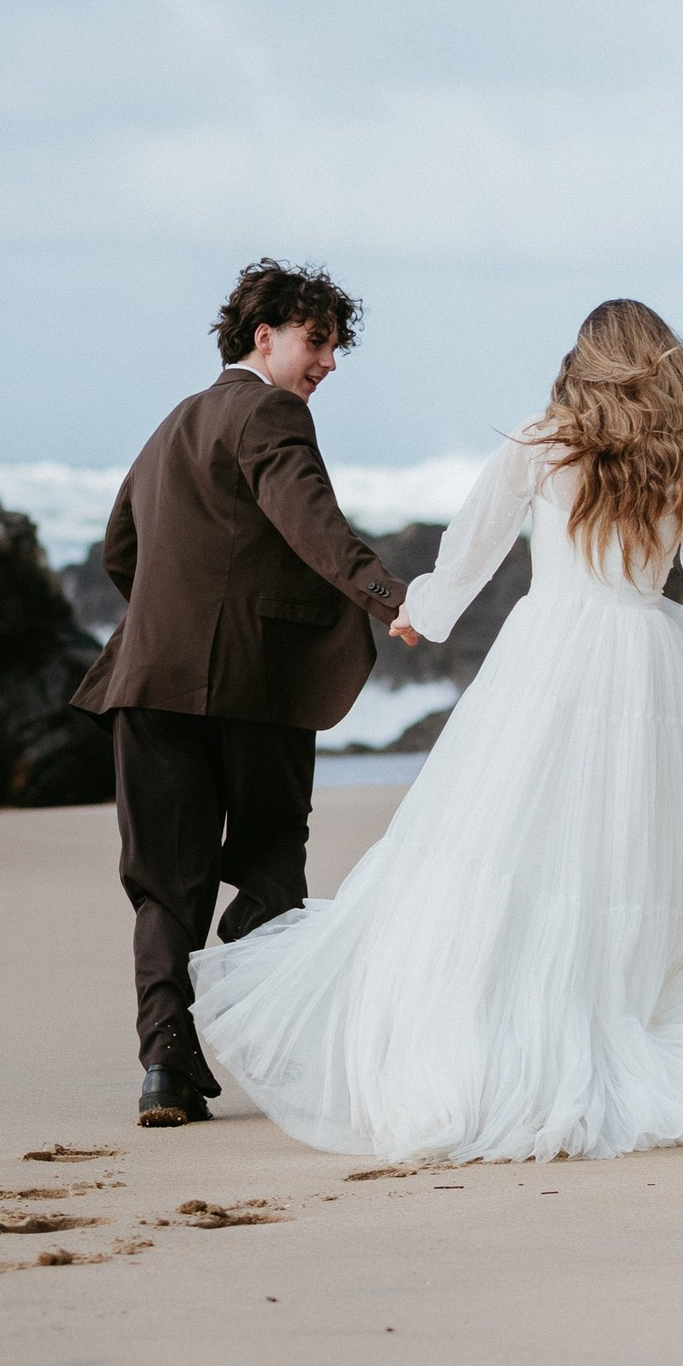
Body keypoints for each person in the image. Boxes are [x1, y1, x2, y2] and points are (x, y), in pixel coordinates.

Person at [189, 298, 683, 1165]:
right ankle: (628, 1014)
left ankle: (486, 1037)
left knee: (508, 847)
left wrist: (419, 611)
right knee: (635, 859)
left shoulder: (542, 440)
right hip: (647, 660)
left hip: (546, 654)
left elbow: (468, 555)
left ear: (586, 361)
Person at [75, 258, 417, 1127]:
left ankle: (166, 1068)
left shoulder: (174, 423)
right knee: (270, 869)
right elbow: (311, 519)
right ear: (262, 338)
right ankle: (264, 1029)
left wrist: (174, 621)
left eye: (335, 348)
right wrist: (387, 598)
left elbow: (122, 549)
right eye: (317, 342)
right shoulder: (271, 412)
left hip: (148, 682)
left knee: (164, 885)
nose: (327, 363)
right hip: (251, 689)